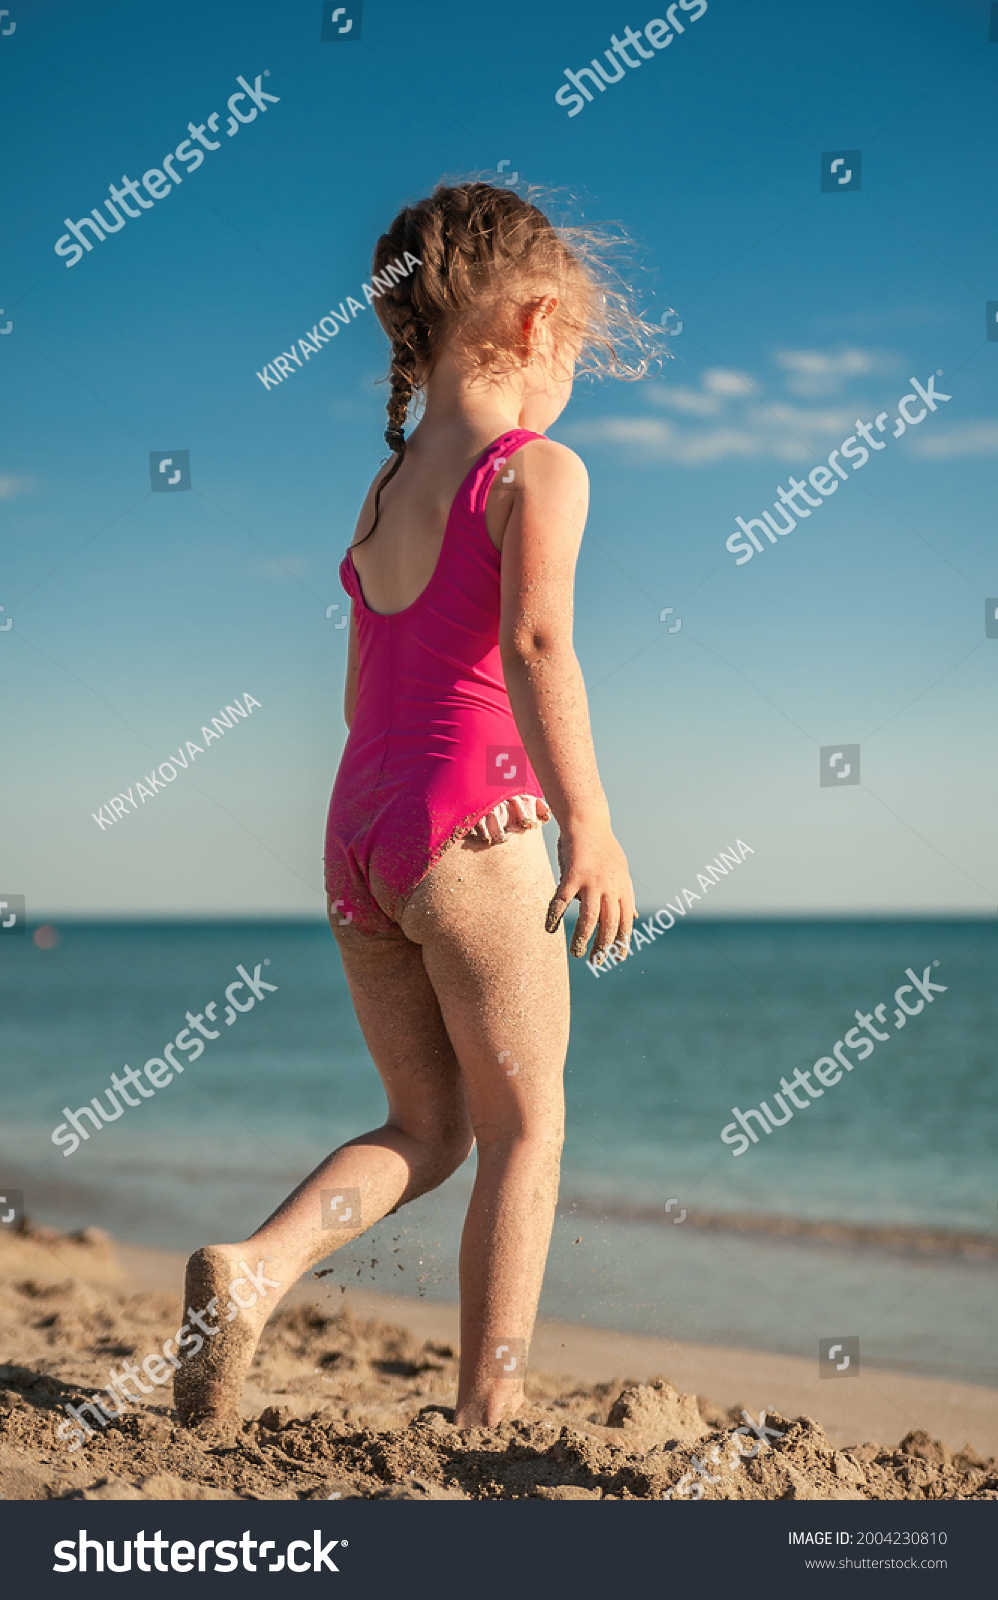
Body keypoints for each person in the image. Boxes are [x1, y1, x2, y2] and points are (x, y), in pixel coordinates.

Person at [175, 180, 658, 1433]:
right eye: (575, 353)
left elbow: (356, 699)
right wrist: (589, 821)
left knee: (425, 1123)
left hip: (360, 834)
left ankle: (256, 1266)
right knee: (524, 1127)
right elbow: (538, 643)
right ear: (534, 319)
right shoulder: (535, 468)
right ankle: (485, 1413)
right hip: (474, 826)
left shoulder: (380, 496)